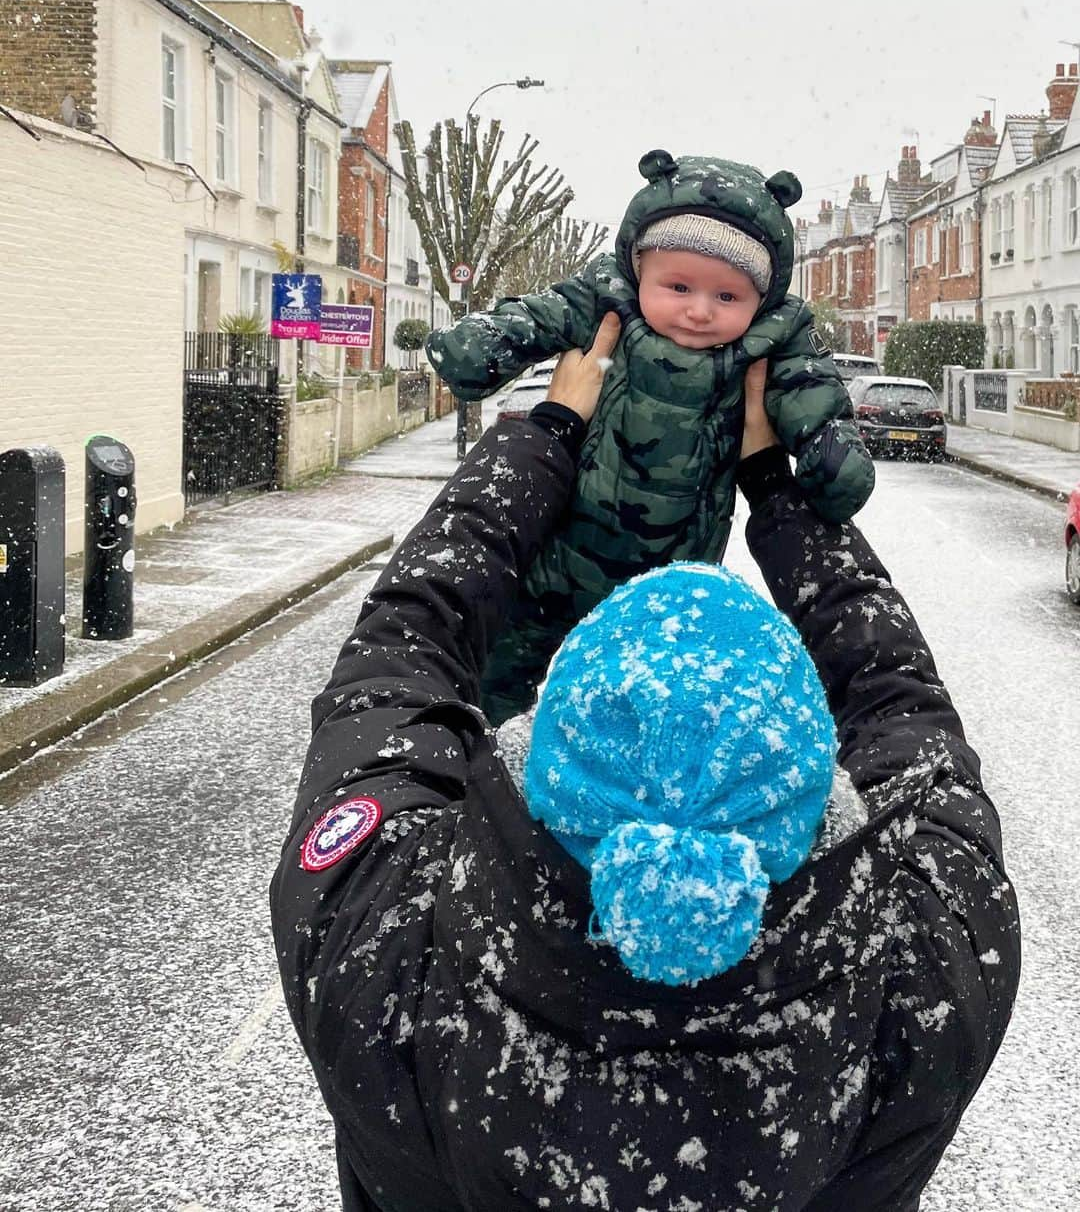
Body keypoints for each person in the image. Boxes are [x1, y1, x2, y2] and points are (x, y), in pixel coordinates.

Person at [270, 322, 1020, 1212]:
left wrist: (547, 431)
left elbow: (400, 647)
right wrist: (774, 490)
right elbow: (900, 698)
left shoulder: (383, 949)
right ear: (815, 784)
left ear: (540, 750)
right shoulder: (926, 967)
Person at [426, 149, 876, 725]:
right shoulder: (604, 297)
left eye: (727, 297)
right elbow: (538, 318)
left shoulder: (777, 336)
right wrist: (484, 345)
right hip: (558, 555)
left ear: (762, 301)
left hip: (671, 576)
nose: (698, 311)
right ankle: (481, 764)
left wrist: (832, 458)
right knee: (496, 674)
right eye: (679, 286)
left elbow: (813, 393)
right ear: (640, 268)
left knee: (648, 705)